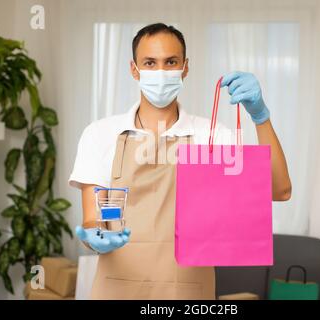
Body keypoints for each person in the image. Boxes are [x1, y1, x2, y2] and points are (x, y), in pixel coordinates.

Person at [69, 22, 291, 299]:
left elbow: (279, 190)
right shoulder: (100, 134)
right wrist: (97, 238)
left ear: (185, 67)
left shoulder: (210, 136)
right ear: (133, 69)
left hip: (186, 291)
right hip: (116, 287)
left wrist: (260, 118)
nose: (160, 72)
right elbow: (93, 220)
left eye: (170, 62)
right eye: (150, 62)